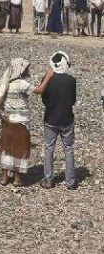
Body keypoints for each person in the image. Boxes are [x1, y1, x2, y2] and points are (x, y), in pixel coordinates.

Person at [0, 58, 52, 187]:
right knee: (20, 148)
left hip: (7, 120)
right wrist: (47, 77)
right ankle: (17, 179)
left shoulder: (4, 82)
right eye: (25, 68)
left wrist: (0, 108)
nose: (27, 71)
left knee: (6, 148)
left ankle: (4, 177)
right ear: (20, 70)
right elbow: (39, 90)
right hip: (21, 121)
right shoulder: (22, 84)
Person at [40, 52, 77, 190]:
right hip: (67, 119)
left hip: (51, 118)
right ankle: (70, 182)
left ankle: (48, 180)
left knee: (49, 149)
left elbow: (44, 99)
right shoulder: (71, 80)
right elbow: (73, 100)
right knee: (69, 149)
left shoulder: (48, 79)